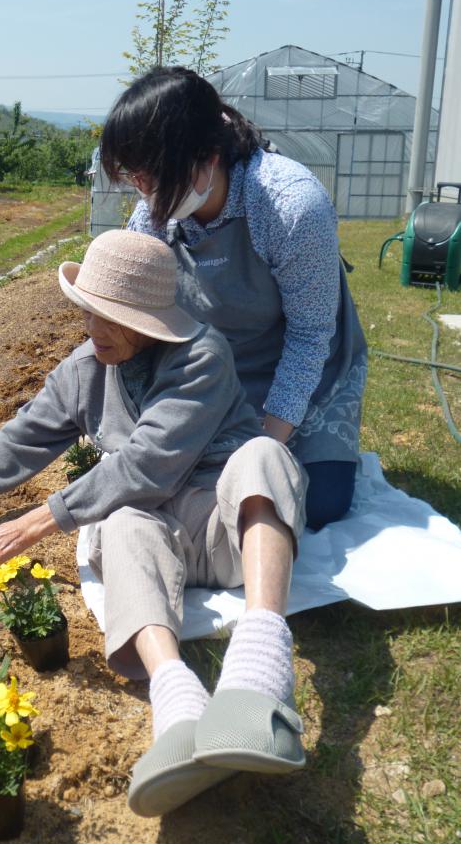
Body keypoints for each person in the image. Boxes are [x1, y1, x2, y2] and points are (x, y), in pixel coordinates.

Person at [0, 229, 308, 817]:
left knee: (264, 456)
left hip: (226, 527)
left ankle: (257, 678)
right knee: (119, 522)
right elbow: (22, 438)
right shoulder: (85, 368)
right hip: (158, 544)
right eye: (90, 312)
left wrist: (37, 521)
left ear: (153, 320)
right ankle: (179, 709)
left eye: (113, 318)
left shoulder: (201, 358)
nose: (95, 329)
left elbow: (148, 464)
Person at [99, 66, 367, 531]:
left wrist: (265, 446)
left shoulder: (289, 205)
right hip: (221, 366)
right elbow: (134, 315)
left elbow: (310, 336)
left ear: (208, 155)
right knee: (184, 478)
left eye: (152, 171)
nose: (143, 190)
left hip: (309, 369)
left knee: (314, 501)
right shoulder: (155, 215)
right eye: (134, 174)